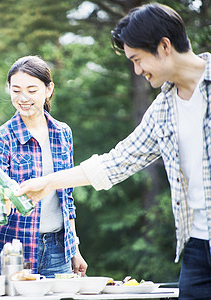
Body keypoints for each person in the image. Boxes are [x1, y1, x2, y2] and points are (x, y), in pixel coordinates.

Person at [17, 3, 210, 298]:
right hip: (196, 244)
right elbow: (117, 162)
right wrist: (49, 182)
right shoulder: (163, 109)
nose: (136, 70)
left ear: (165, 46)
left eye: (137, 59)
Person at [0, 56, 88, 278]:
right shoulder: (0, 138)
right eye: (16, 90)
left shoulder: (63, 133)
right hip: (12, 250)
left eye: (31, 90)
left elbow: (67, 196)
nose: (23, 98)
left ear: (49, 89)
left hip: (58, 250)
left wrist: (75, 249)